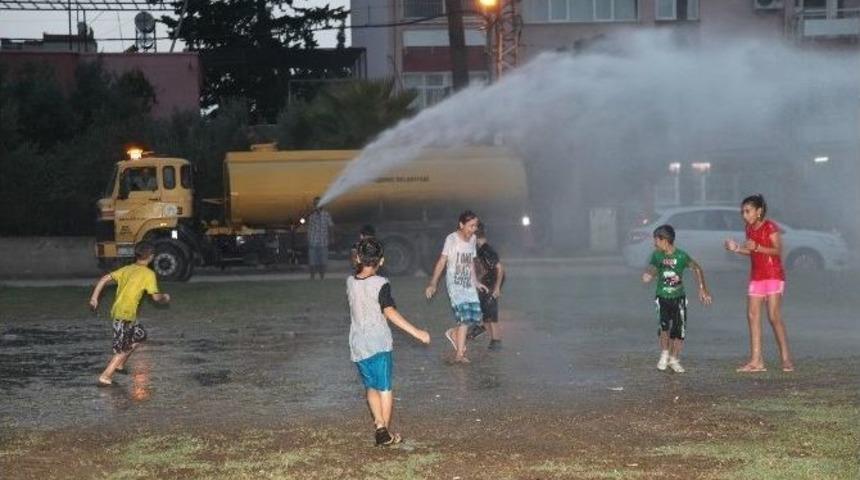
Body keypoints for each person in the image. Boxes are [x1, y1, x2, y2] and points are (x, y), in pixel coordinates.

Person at [347, 237, 430, 446]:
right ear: (381, 261)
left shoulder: (350, 281)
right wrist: (417, 332)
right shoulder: (381, 283)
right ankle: (385, 432)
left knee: (371, 387)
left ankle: (379, 426)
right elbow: (389, 311)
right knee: (384, 387)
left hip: (358, 344)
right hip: (378, 344)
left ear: (358, 257)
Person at [725, 194, 794, 373]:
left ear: (759, 211)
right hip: (756, 277)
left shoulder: (770, 226)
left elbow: (778, 251)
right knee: (752, 315)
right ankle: (756, 361)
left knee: (773, 317)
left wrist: (757, 247)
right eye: (742, 212)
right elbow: (752, 251)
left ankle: (786, 359)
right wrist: (737, 248)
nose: (744, 215)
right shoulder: (749, 228)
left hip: (773, 275)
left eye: (747, 211)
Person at [88, 241, 170, 386]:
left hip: (126, 314)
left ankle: (120, 365)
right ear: (151, 257)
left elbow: (104, 279)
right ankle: (105, 376)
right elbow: (156, 297)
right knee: (121, 349)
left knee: (140, 335)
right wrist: (165, 297)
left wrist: (94, 298)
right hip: (123, 315)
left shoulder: (127, 269)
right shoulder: (148, 274)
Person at [642, 224, 712, 373]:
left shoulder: (681, 256)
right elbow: (653, 267)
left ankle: (674, 359)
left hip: (678, 299)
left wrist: (702, 289)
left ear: (665, 240)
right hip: (662, 297)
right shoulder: (657, 255)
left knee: (679, 331)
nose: (654, 243)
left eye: (656, 240)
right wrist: (649, 274)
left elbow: (697, 268)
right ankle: (664, 354)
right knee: (664, 328)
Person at [425, 210, 488, 364]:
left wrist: (476, 282)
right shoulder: (451, 239)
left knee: (475, 318)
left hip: (468, 284)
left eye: (476, 226)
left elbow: (471, 262)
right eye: (470, 226)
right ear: (461, 224)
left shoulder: (473, 239)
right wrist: (433, 283)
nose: (474, 229)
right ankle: (459, 354)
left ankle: (454, 333)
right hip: (455, 283)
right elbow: (442, 261)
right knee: (465, 318)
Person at [466, 222, 505, 350]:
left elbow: (500, 269)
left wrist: (497, 287)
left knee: (492, 315)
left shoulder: (487, 250)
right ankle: (481, 328)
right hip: (486, 284)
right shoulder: (481, 250)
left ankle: (496, 341)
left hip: (492, 285)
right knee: (485, 310)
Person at [306, 196, 334, 280]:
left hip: (323, 241)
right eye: (315, 203)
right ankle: (312, 277)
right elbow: (307, 225)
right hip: (313, 241)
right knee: (312, 261)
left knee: (323, 261)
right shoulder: (311, 215)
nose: (317, 204)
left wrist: (332, 237)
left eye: (318, 203)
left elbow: (331, 226)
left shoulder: (326, 214)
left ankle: (322, 277)